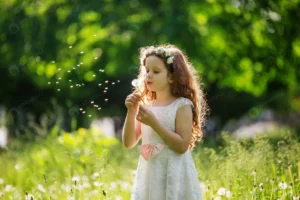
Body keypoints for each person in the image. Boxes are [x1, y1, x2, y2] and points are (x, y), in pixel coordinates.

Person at [122, 44, 209, 200]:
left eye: (156, 71)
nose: (149, 75)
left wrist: (154, 123)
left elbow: (182, 146)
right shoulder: (146, 105)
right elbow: (128, 142)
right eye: (146, 70)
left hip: (174, 173)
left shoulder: (181, 105)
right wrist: (131, 111)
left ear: (171, 77)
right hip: (150, 173)